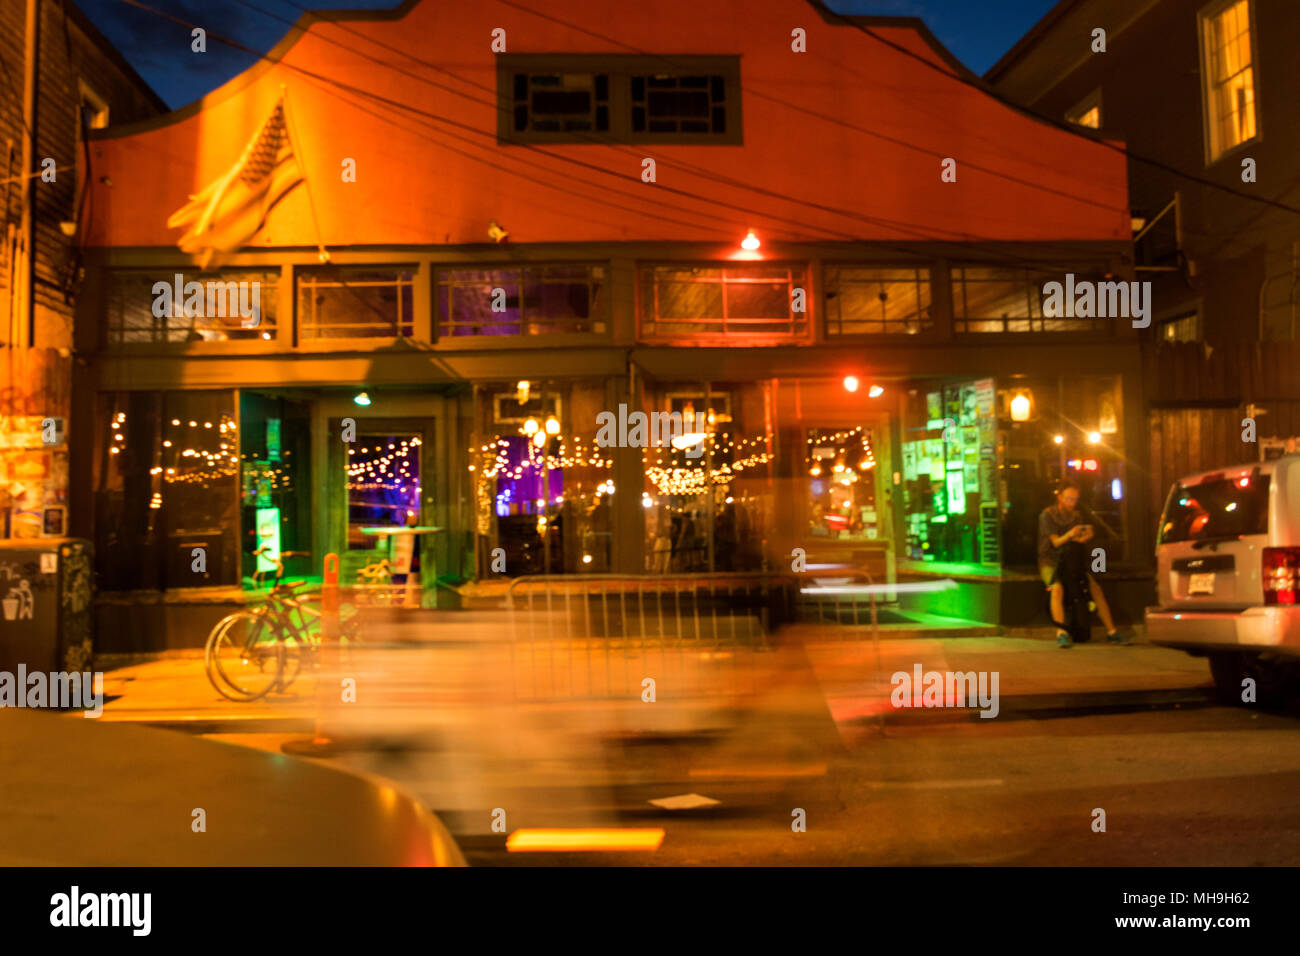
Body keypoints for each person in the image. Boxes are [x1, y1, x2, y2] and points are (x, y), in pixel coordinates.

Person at [1038, 481, 1131, 648]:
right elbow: (1056, 542)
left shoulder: (1077, 516)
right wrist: (1070, 534)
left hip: (1072, 561)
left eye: (1075, 499)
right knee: (1057, 588)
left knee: (1095, 588)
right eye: (1068, 499)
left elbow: (1077, 543)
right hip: (1051, 561)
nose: (1071, 503)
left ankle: (1112, 631)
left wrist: (1085, 536)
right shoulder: (1047, 515)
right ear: (1059, 497)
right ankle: (1061, 633)